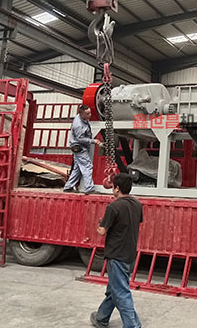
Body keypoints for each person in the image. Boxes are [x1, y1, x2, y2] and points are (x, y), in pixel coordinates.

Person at [91, 173, 143, 328]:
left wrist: (99, 225)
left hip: (116, 255)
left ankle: (132, 325)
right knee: (113, 290)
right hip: (130, 253)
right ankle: (101, 318)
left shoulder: (114, 207)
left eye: (113, 186)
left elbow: (102, 231)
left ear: (117, 188)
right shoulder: (137, 204)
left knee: (121, 292)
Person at [64, 104, 102, 195]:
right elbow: (80, 138)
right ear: (81, 114)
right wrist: (93, 141)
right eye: (87, 114)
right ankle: (89, 188)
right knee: (87, 166)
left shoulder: (82, 119)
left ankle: (68, 187)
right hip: (79, 147)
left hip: (80, 147)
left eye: (90, 113)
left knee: (77, 169)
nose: (90, 115)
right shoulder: (78, 125)